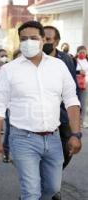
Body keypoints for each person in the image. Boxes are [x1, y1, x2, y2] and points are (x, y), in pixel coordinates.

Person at [0, 21, 82, 200]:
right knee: (31, 192)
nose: (28, 42)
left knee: (52, 188)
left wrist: (75, 134)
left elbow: (71, 101)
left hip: (53, 139)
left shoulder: (59, 66)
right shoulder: (9, 70)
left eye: (33, 38)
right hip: (22, 139)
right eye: (23, 39)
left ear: (42, 41)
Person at [43, 25, 79, 200]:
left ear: (56, 42)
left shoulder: (66, 60)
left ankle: (51, 180)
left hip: (62, 116)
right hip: (41, 116)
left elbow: (72, 91)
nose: (44, 42)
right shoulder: (33, 59)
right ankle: (48, 188)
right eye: (42, 38)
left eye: (48, 39)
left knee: (66, 152)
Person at [74, 46, 88, 127]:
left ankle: (81, 122)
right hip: (76, 84)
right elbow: (71, 70)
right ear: (77, 53)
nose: (82, 54)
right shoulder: (74, 61)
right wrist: (79, 72)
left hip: (85, 84)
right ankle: (75, 120)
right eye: (80, 52)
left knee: (83, 103)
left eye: (84, 52)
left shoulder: (87, 60)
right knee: (76, 103)